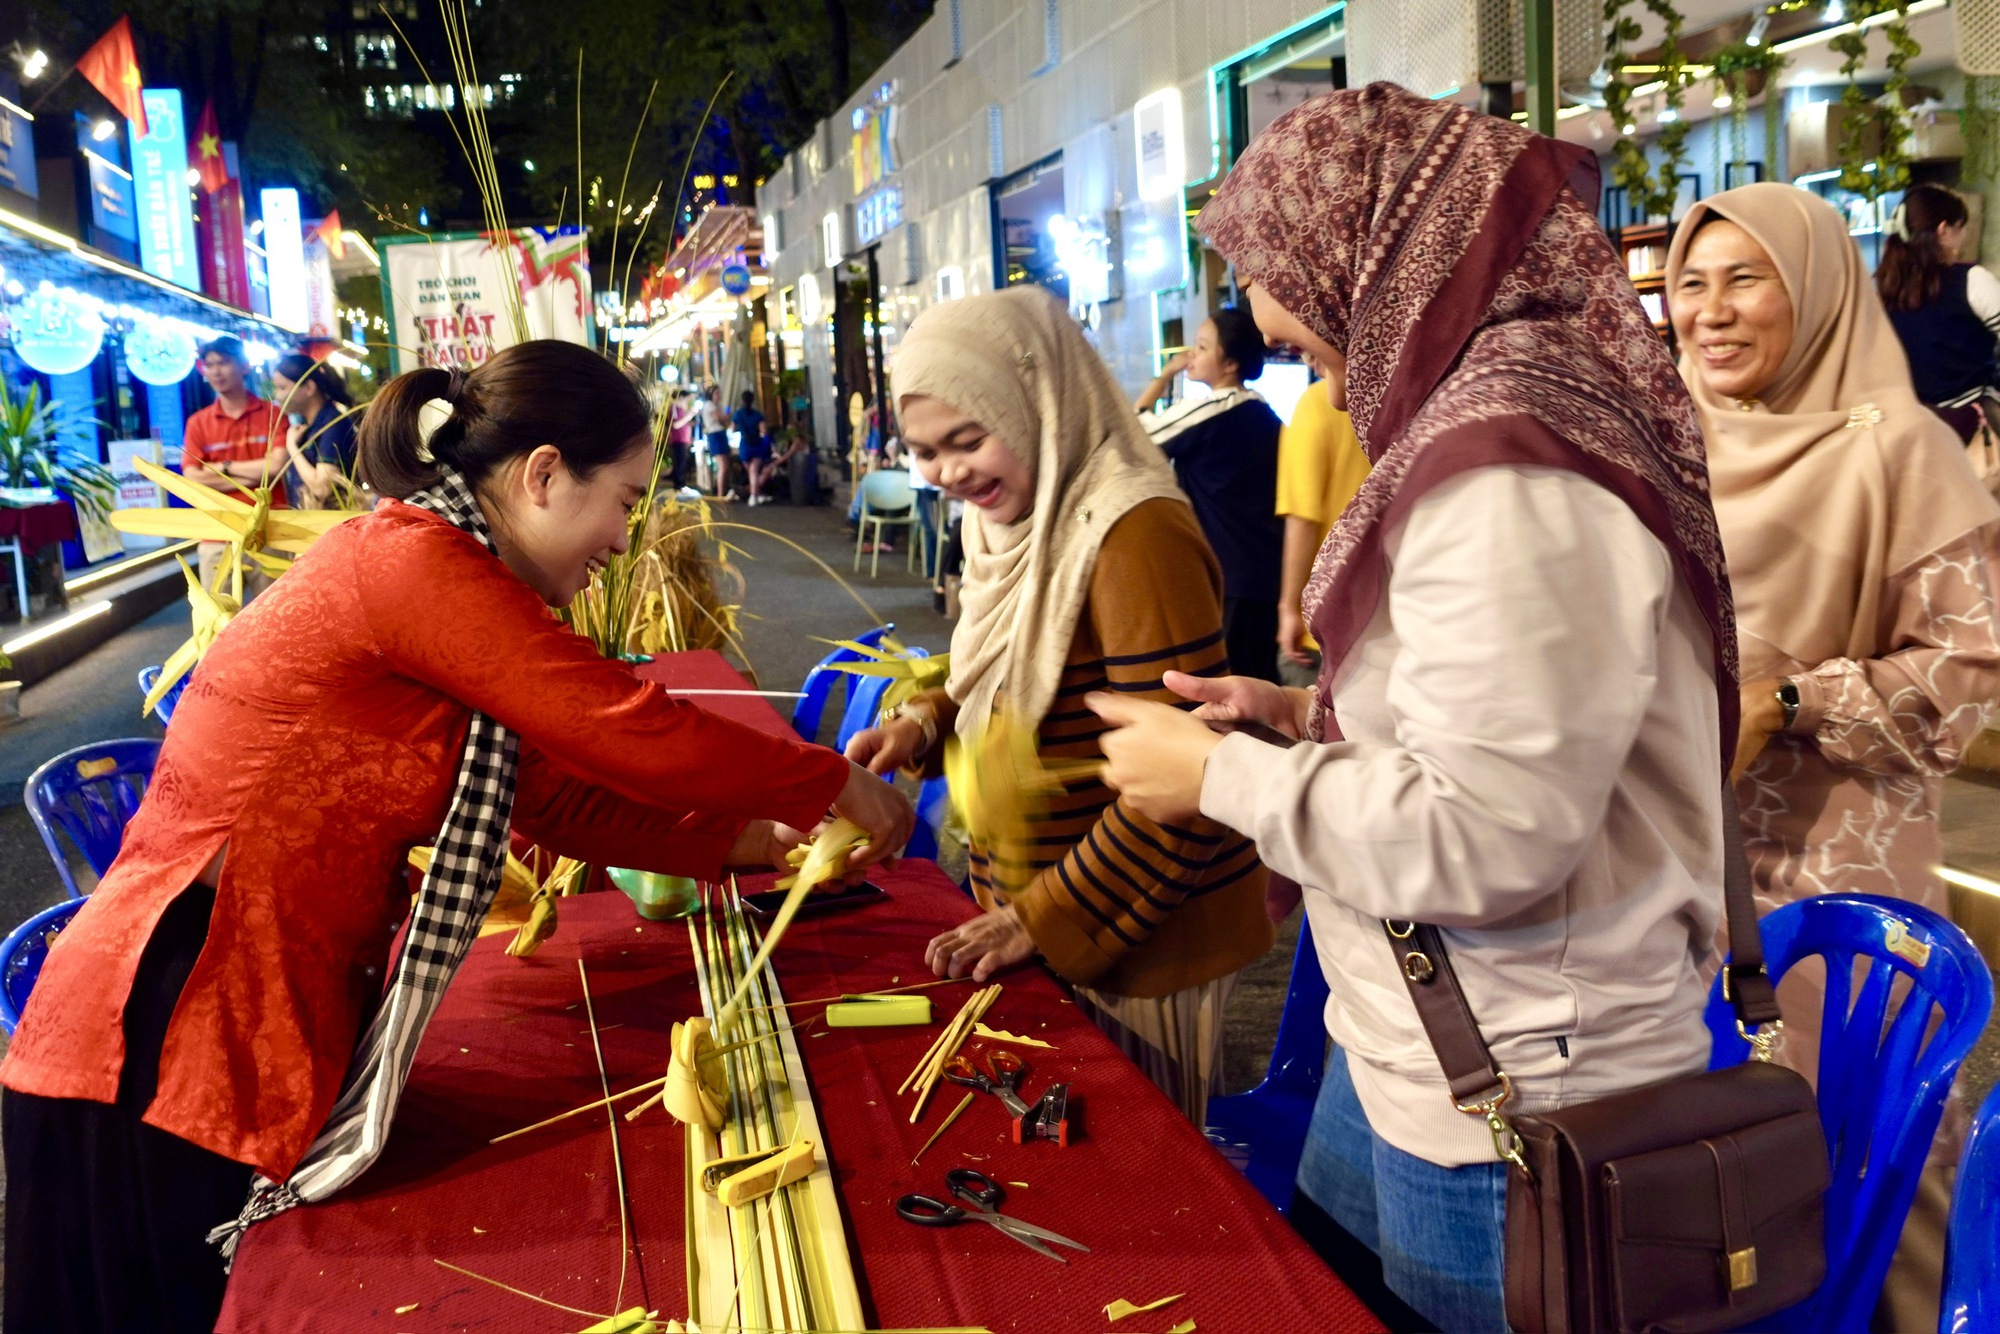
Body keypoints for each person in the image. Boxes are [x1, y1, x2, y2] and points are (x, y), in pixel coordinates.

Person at [0, 340, 913, 1334]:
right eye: (622, 495)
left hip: (234, 990)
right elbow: (621, 722)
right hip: (176, 1007)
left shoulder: (445, 574)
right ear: (543, 473)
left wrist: (753, 841)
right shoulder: (411, 562)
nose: (623, 532)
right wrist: (834, 779)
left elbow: (554, 799)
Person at [1087, 86, 1739, 1331]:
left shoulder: (1508, 467)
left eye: (1318, 347)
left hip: (1513, 1085)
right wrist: (1297, 718)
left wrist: (1215, 778)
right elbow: (1490, 728)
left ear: (1381, 259)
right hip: (1427, 1038)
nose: (1326, 395)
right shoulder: (1491, 422)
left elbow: (1490, 828)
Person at [1668, 182, 2000, 1332]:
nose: (1709, 311)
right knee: (1699, 1184)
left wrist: (1799, 696)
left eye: (1743, 279)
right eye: (1690, 283)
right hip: (1666, 870)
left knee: (1860, 1166)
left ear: (1812, 291)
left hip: (1831, 873)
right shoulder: (1659, 445)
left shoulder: (1899, 451)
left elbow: (1969, 675)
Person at [845, 288, 1273, 1121]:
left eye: (969, 439)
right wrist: (926, 721)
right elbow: (1008, 669)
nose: (947, 473)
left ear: (1037, 401)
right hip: (1047, 915)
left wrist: (1033, 922)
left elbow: (1186, 782)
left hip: (1141, 939)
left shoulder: (1132, 531)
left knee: (1141, 1177)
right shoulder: (1010, 522)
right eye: (924, 451)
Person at [1133, 308, 1285, 683]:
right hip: (1265, 575)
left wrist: (1165, 375)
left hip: (1228, 575)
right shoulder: (1265, 414)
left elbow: (1134, 436)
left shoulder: (1211, 410)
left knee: (1227, 692)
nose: (1191, 356)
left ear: (1230, 363)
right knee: (1259, 687)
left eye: (1201, 347)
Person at [1876, 183, 2000, 440]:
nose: (1964, 236)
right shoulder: (1971, 280)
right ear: (1943, 231)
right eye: (1960, 227)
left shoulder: (1884, 291)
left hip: (1914, 425)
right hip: (1973, 423)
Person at [1274, 356, 1370, 677]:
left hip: (1323, 623)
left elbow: (1302, 519)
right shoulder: (1398, 400)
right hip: (1383, 617)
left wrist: (1288, 608)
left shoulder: (1316, 403)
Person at [182, 336, 287, 595]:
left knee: (279, 617)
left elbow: (275, 469)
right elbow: (192, 477)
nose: (216, 371)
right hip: (217, 534)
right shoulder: (198, 422)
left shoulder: (272, 414)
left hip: (269, 533)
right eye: (210, 364)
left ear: (244, 366)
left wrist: (221, 468)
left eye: (224, 363)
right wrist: (253, 474)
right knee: (219, 622)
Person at [270, 353, 360, 509]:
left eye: (283, 388)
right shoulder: (307, 425)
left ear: (309, 388)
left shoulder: (333, 424)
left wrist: (292, 447)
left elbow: (322, 489)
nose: (277, 395)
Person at [734, 390, 774, 506]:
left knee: (750, 471)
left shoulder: (738, 414)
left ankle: (755, 495)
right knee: (754, 471)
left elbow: (733, 428)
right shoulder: (757, 415)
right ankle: (755, 495)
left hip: (744, 444)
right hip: (757, 444)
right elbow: (763, 431)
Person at [699, 382, 734, 498]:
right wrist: (727, 415)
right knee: (723, 464)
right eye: (717, 393)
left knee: (724, 464)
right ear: (711, 394)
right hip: (715, 435)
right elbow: (721, 419)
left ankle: (722, 491)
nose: (719, 396)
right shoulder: (710, 405)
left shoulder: (714, 406)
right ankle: (720, 493)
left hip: (718, 434)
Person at [667, 388, 698, 488]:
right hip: (678, 440)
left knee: (683, 463)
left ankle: (681, 485)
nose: (688, 402)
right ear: (681, 397)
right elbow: (675, 425)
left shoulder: (682, 409)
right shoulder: (674, 408)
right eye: (687, 399)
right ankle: (679, 486)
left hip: (684, 440)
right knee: (679, 463)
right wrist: (689, 416)